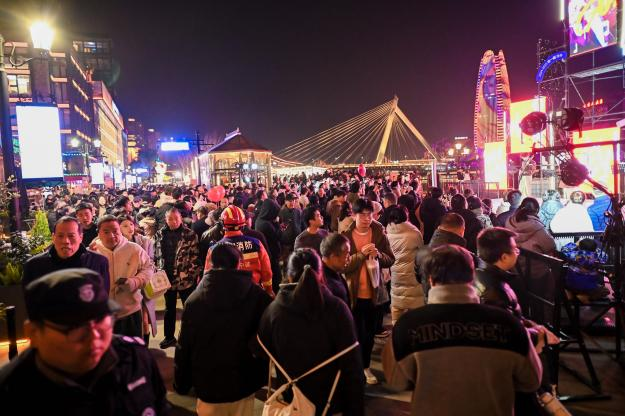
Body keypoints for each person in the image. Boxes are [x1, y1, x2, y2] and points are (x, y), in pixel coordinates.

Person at [383, 245, 542, 416]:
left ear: (431, 280)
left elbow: (396, 381)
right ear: (472, 277)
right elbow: (531, 381)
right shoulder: (507, 323)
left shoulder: (408, 325)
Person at [0, 268, 170, 415]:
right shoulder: (11, 391)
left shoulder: (134, 356)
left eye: (101, 321)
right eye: (76, 328)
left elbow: (160, 407)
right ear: (34, 333)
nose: (94, 337)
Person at [257, 249, 365, 415]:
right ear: (320, 274)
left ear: (289, 276)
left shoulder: (273, 312)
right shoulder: (337, 309)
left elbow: (262, 350)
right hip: (330, 401)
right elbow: (352, 364)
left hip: (292, 402)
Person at [175, 243, 272, 416]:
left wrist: (181, 382)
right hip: (244, 379)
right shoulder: (258, 296)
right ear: (239, 263)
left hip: (208, 382)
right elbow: (267, 337)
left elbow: (185, 345)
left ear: (211, 263)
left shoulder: (194, 300)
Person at [343, 198, 395, 385]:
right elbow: (343, 265)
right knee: (357, 333)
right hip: (354, 293)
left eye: (369, 214)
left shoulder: (379, 232)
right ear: (354, 215)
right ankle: (358, 367)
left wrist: (378, 255)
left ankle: (365, 367)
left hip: (375, 292)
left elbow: (391, 259)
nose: (367, 218)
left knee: (370, 334)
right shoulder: (346, 236)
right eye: (362, 214)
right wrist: (361, 255)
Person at [92, 215, 153, 338]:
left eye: (115, 231)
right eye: (106, 232)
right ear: (99, 233)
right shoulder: (93, 252)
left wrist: (135, 282)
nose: (111, 235)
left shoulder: (134, 249)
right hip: (103, 314)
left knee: (132, 347)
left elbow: (148, 268)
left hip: (130, 311)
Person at [22, 216, 110, 292]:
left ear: (81, 237)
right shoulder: (34, 266)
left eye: (71, 236)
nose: (66, 241)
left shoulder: (98, 262)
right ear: (53, 237)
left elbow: (102, 298)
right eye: (60, 236)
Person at [155, 207, 201, 349]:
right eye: (170, 219)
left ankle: (189, 337)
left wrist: (190, 274)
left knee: (188, 308)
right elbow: (156, 255)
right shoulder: (160, 234)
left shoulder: (189, 234)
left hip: (185, 278)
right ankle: (169, 337)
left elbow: (195, 256)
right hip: (167, 277)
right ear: (166, 220)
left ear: (180, 218)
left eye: (176, 218)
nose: (173, 221)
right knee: (169, 309)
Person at [205, 205, 274, 296]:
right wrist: (268, 290)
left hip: (227, 297)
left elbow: (208, 277)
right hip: (252, 294)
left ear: (222, 224)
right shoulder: (256, 244)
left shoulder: (214, 249)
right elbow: (266, 272)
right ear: (243, 224)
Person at [118, 214, 157, 343]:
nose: (129, 228)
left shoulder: (145, 241)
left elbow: (151, 263)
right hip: (125, 288)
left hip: (143, 285)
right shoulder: (117, 244)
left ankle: (144, 348)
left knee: (145, 320)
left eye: (131, 224)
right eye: (125, 225)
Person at [386, 205, 424, 324]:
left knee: (397, 308)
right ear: (406, 216)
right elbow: (421, 252)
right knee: (416, 313)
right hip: (413, 275)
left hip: (396, 275)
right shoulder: (414, 233)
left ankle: (396, 331)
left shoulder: (387, 234)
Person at [254, 198, 283, 292]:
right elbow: (278, 236)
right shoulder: (266, 224)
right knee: (276, 278)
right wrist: (277, 223)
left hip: (268, 254)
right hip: (271, 254)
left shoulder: (259, 220)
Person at [320, 233, 351, 306]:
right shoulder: (329, 287)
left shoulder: (333, 271)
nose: (349, 259)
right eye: (346, 255)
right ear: (333, 257)